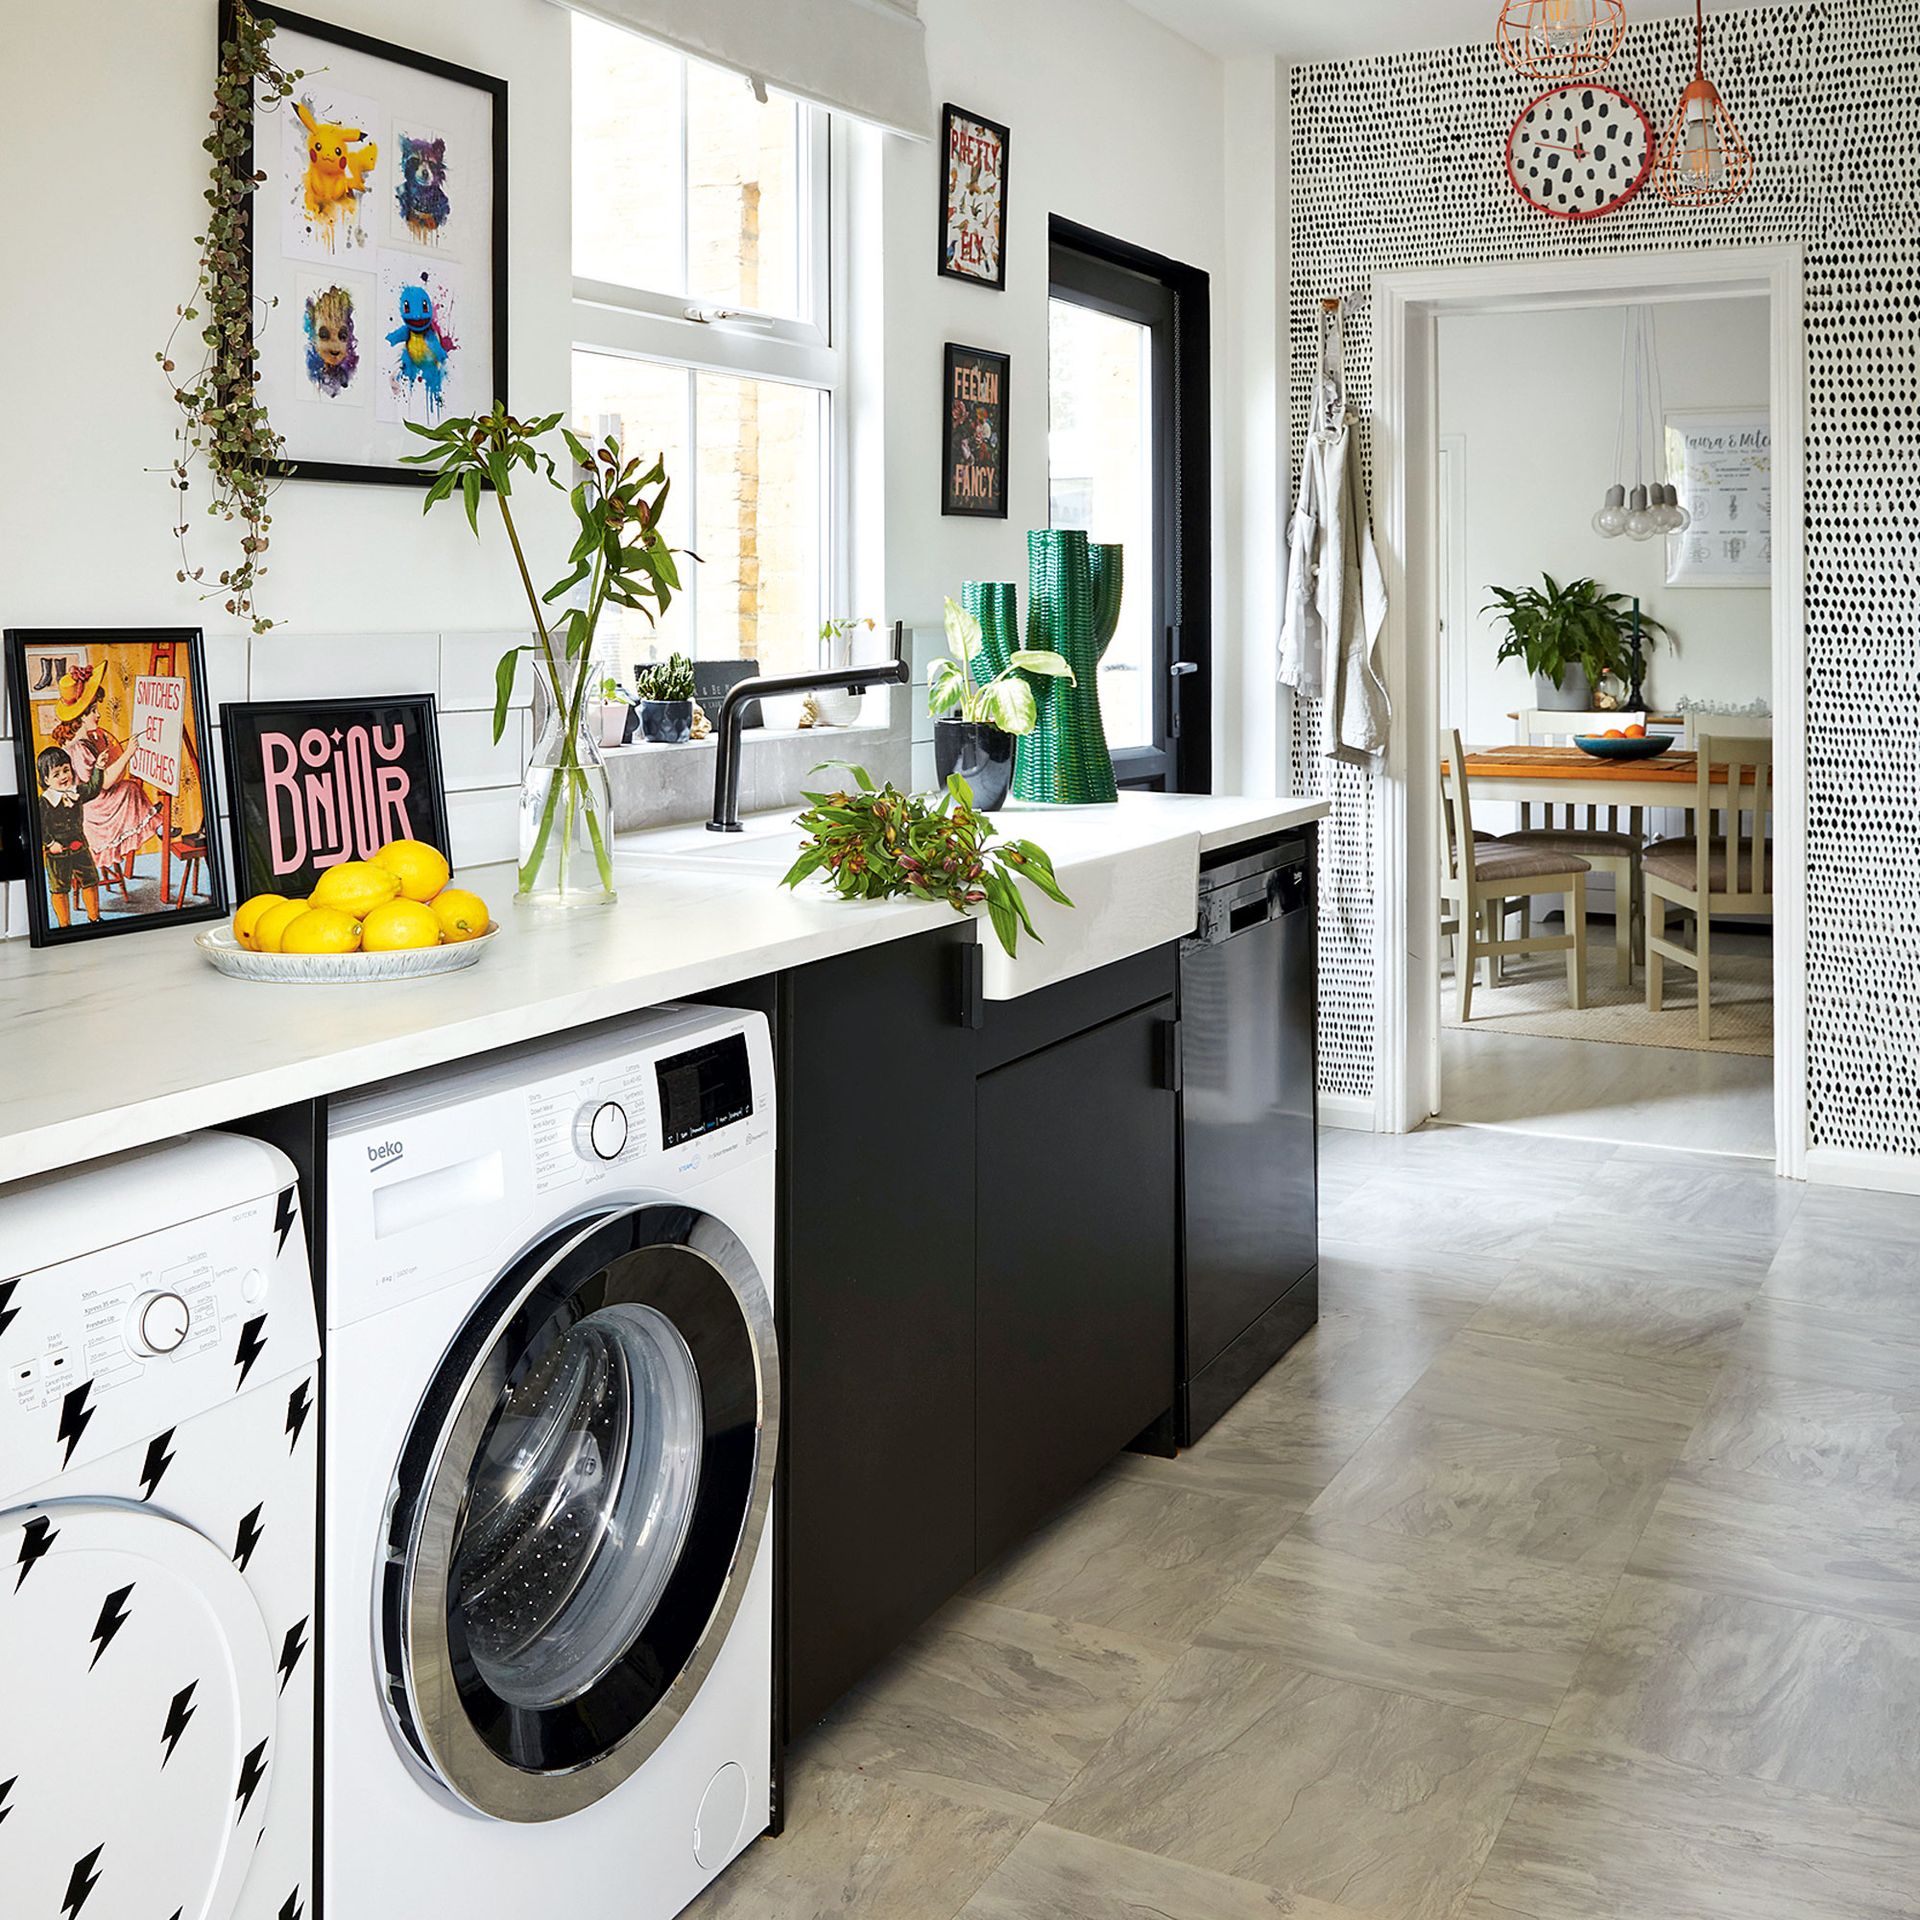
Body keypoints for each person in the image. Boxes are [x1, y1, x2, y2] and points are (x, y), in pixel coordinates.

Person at [37, 739, 137, 929]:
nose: (63, 776)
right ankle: (64, 924)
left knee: (90, 879)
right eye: (56, 774)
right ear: (46, 780)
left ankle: (94, 917)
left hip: (79, 846)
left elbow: (93, 788)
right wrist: (50, 843)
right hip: (57, 852)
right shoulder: (44, 802)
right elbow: (40, 826)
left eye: (66, 770)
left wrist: (99, 767)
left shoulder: (76, 791)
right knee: (60, 888)